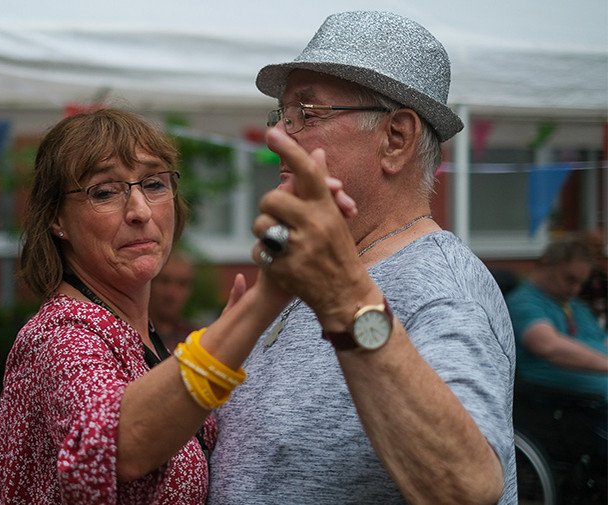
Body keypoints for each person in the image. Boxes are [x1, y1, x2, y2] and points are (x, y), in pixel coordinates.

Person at [208, 11, 517, 504]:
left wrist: (344, 299)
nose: (280, 136)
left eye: (306, 113)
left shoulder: (443, 288)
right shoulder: (322, 265)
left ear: (396, 139)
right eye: (281, 115)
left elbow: (466, 488)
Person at [0, 108, 335, 503]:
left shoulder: (134, 332)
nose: (140, 211)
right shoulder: (61, 336)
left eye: (154, 184)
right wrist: (263, 300)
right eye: (104, 192)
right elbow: (116, 444)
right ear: (57, 219)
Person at [506, 235, 608, 397]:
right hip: (562, 403)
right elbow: (547, 346)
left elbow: (602, 341)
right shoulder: (523, 302)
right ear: (546, 264)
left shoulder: (575, 306)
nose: (575, 290)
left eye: (581, 283)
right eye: (570, 279)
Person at [149, 249, 199, 351]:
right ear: (150, 283)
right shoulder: (130, 336)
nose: (171, 293)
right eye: (164, 281)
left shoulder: (197, 341)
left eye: (182, 284)